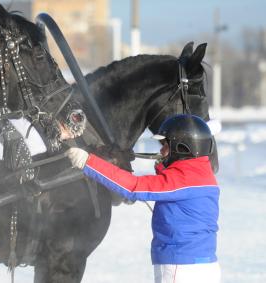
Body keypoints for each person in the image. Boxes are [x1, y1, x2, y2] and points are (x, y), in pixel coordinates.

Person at [66, 114, 221, 283]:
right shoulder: (201, 173)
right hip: (201, 266)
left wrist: (88, 162)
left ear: (182, 148)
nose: (161, 151)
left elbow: (133, 187)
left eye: (165, 146)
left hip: (182, 268)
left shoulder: (184, 179)